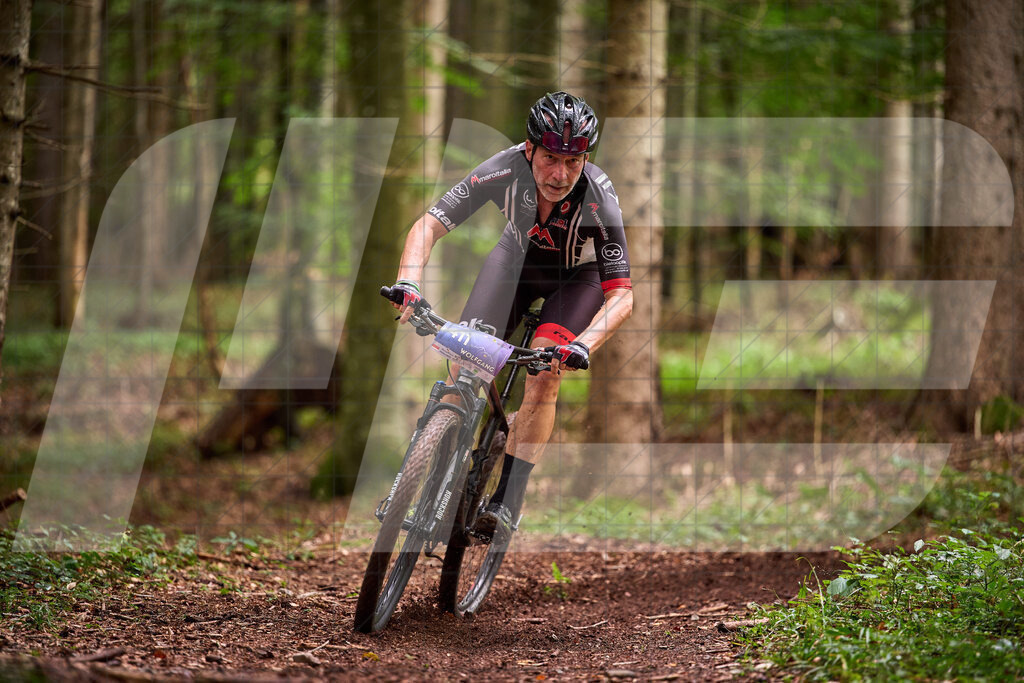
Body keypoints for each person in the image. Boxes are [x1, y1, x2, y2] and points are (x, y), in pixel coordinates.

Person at [390, 91, 633, 542]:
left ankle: (506, 499)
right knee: (463, 365)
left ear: (585, 159)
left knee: (544, 374)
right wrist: (409, 282)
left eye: (573, 162)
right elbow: (428, 225)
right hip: (516, 261)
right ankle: (428, 477)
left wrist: (583, 345)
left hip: (577, 281)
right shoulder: (502, 168)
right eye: (550, 158)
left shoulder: (599, 199)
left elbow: (621, 295)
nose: (560, 174)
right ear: (529, 150)